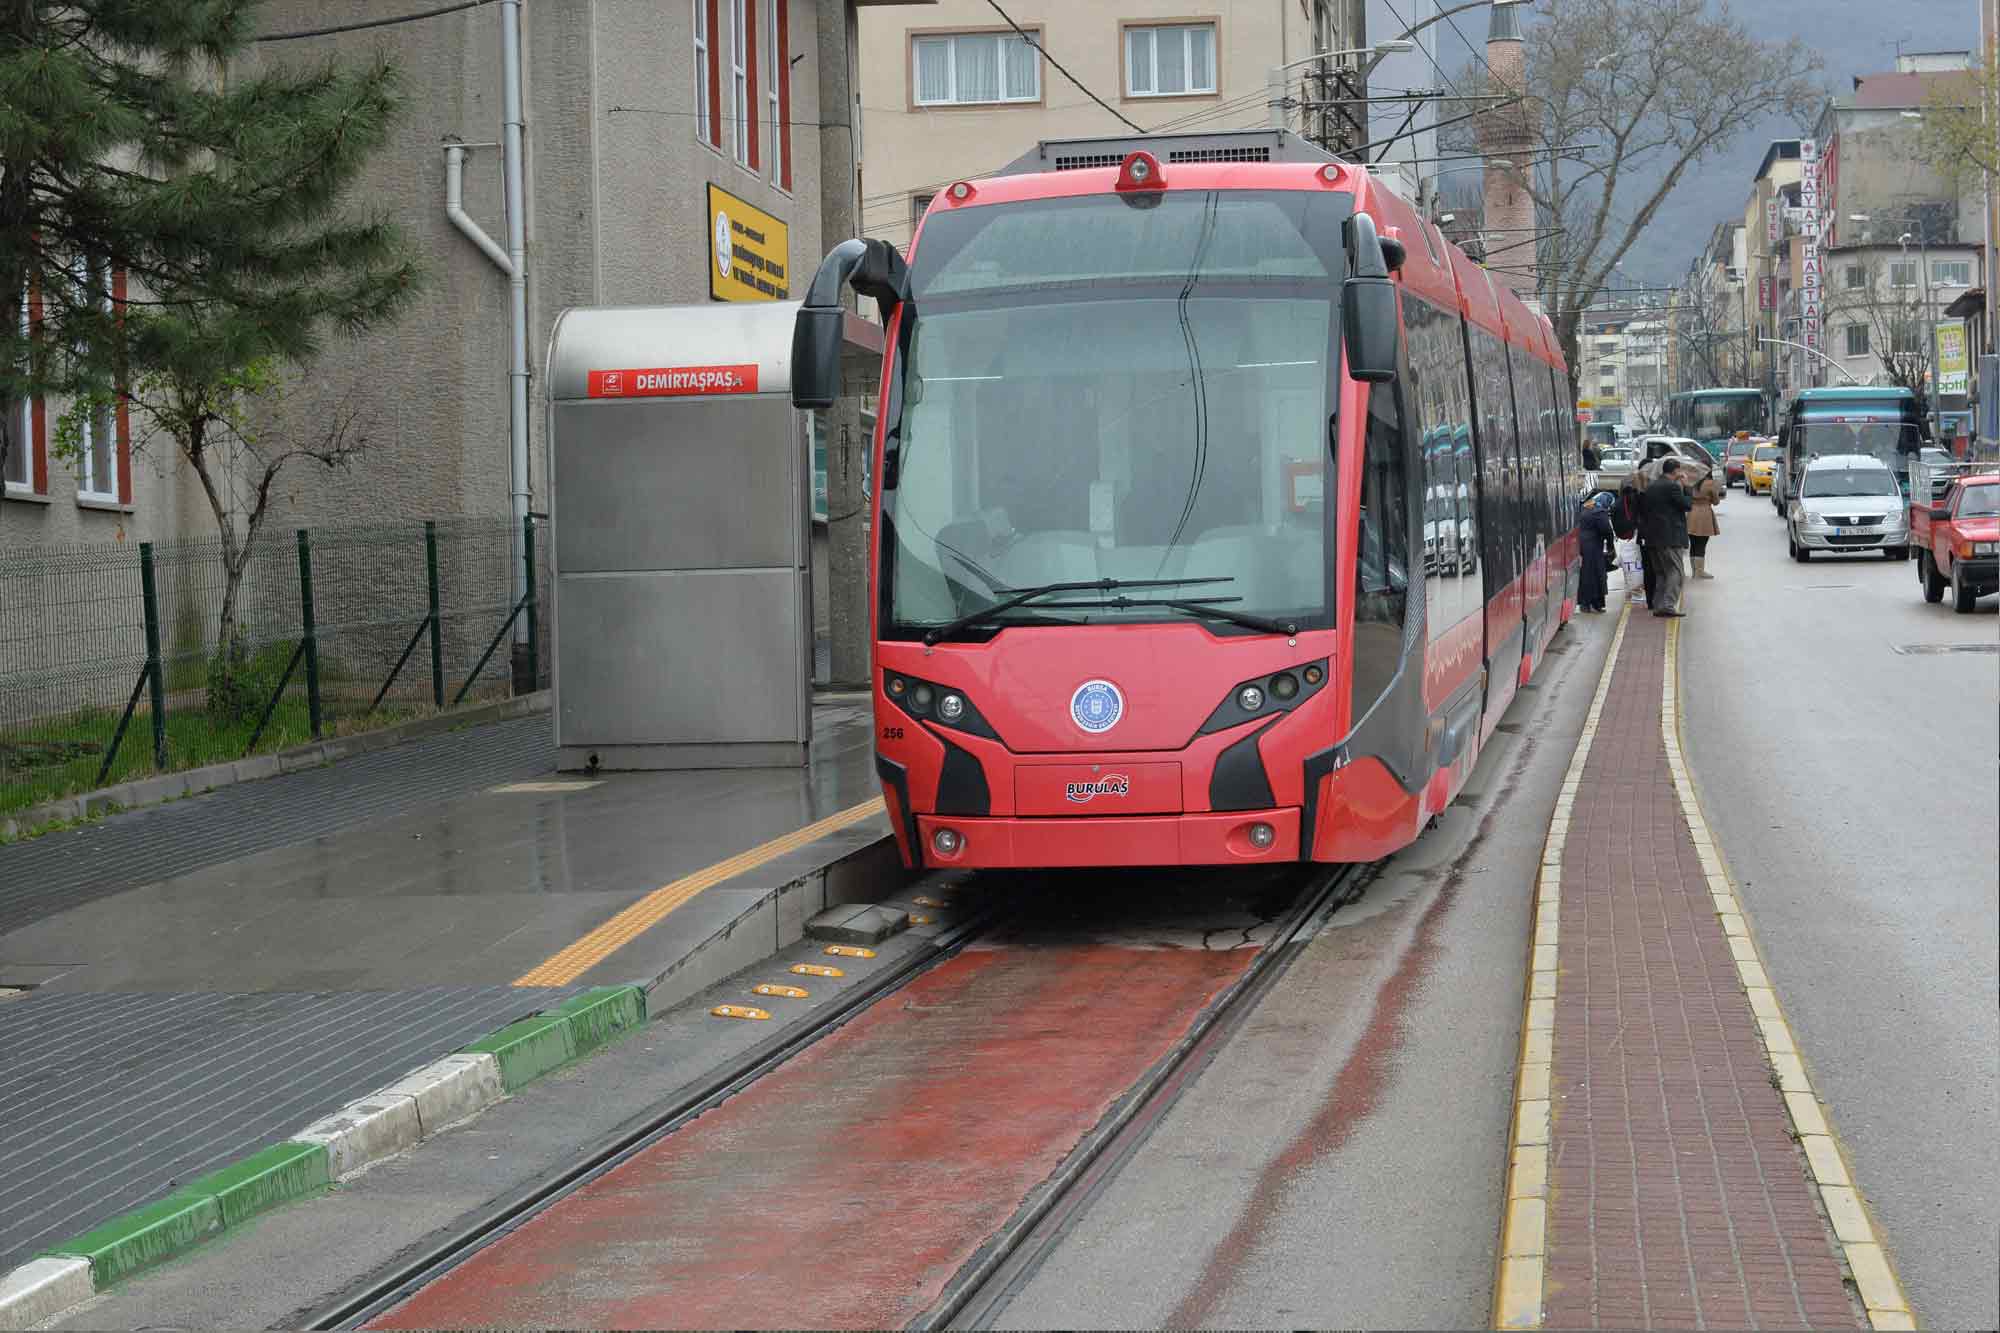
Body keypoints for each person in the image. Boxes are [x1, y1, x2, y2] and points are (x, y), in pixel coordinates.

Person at [1641, 458, 1695, 617]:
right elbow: (1687, 505)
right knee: (1676, 572)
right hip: (1670, 537)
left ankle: (1658, 605)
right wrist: (1687, 487)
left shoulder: (1651, 486)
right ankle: (1668, 605)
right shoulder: (1672, 487)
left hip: (1653, 537)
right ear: (1676, 471)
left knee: (1661, 573)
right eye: (1680, 470)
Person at [1577, 491, 1615, 612]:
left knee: (1585, 574)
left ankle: (1585, 603)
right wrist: (1611, 547)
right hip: (1594, 547)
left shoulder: (1585, 507)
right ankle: (1595, 603)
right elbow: (1607, 531)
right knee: (1597, 575)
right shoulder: (1599, 512)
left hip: (1582, 546)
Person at [1614, 471, 1647, 604]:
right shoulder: (1635, 499)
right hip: (1634, 536)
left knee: (1629, 566)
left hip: (1623, 537)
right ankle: (1636, 593)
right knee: (1635, 566)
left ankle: (1630, 590)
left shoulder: (1619, 501)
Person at [1688, 465, 1722, 579]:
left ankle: (1694, 571)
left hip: (1691, 514)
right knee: (1702, 543)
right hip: (1704, 514)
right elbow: (1716, 501)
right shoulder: (1711, 483)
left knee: (1693, 543)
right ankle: (1700, 572)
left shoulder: (1691, 482)